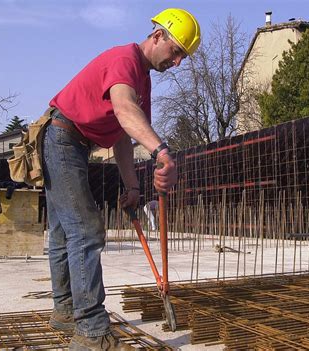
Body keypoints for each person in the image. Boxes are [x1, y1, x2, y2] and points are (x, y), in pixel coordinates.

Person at [41, 8, 201, 351]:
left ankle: (65, 310)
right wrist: (162, 151)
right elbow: (125, 112)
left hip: (72, 142)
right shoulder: (124, 59)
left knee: (61, 231)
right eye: (175, 52)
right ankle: (92, 332)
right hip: (62, 137)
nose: (176, 63)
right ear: (157, 36)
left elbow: (122, 135)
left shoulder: (141, 81)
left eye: (181, 58)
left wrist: (132, 187)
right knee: (85, 231)